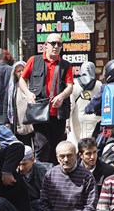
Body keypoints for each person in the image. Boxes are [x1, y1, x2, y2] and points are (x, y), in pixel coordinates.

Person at [18, 33, 74, 163]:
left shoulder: (65, 65)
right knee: (42, 146)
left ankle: (56, 174)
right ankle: (42, 174)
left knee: (57, 146)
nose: (56, 46)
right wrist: (28, 93)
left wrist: (61, 96)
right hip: (39, 112)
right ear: (45, 46)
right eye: (53, 43)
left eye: (59, 44)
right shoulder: (34, 60)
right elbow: (22, 80)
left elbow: (69, 86)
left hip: (58, 112)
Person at [34, 141, 96, 211]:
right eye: (62, 156)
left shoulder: (87, 176)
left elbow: (90, 208)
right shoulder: (50, 174)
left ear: (76, 156)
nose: (66, 160)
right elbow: (43, 203)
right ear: (57, 158)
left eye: (69, 155)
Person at [67, 62, 102, 147]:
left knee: (78, 142)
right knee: (91, 143)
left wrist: (67, 121)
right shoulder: (99, 84)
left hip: (77, 118)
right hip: (95, 118)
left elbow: (70, 105)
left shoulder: (74, 84)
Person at [18, 146, 49, 211]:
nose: (21, 168)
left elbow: (46, 195)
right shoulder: (15, 172)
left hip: (39, 206)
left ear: (32, 160)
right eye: (19, 164)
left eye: (24, 164)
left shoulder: (41, 170)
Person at [6, 61, 35, 146]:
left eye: (23, 70)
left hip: (34, 122)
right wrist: (7, 121)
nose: (21, 73)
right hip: (20, 124)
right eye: (18, 71)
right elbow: (6, 104)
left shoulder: (33, 85)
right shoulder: (12, 87)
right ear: (14, 73)